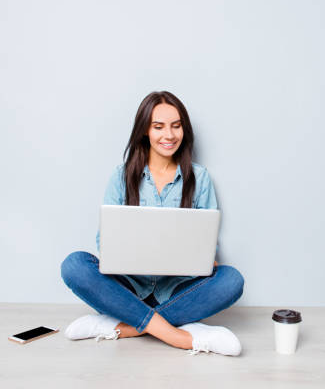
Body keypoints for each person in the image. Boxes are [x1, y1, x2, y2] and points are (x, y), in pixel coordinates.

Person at [60, 91, 245, 356]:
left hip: (178, 289)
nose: (168, 135)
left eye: (176, 126)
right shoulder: (121, 176)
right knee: (74, 265)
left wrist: (207, 257)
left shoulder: (200, 178)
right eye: (158, 127)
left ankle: (123, 326)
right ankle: (180, 335)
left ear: (184, 129)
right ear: (145, 130)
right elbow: (105, 241)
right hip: (128, 287)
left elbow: (207, 240)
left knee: (232, 280)